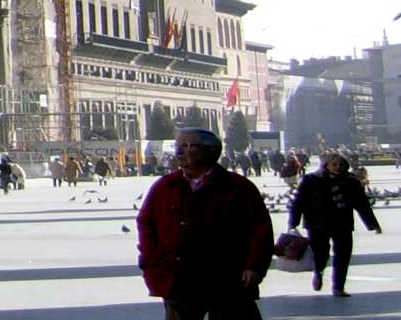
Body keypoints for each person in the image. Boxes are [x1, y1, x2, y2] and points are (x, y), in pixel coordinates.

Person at [137, 127, 272, 320]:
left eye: (186, 146)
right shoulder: (165, 187)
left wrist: (253, 266)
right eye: (178, 146)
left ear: (209, 151)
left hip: (228, 277)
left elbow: (260, 230)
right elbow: (146, 224)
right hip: (179, 277)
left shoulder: (238, 187)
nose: (178, 152)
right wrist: (151, 261)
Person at [290, 152, 380, 296]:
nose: (338, 167)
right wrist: (293, 222)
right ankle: (318, 271)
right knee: (321, 253)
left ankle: (338, 287)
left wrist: (372, 224)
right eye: (335, 164)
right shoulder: (311, 180)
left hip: (342, 223)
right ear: (326, 165)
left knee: (343, 254)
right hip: (317, 223)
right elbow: (298, 202)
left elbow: (362, 204)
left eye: (341, 165)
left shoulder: (351, 181)